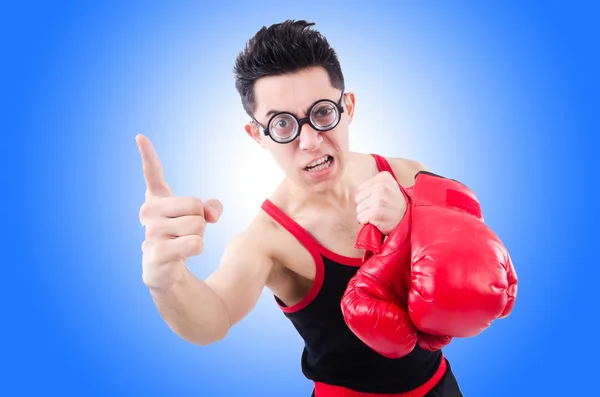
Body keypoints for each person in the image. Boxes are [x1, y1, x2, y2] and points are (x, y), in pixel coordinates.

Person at [136, 20, 516, 397]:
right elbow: (212, 319)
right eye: (282, 124)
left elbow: (479, 267)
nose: (310, 141)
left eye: (321, 113)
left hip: (441, 388)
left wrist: (411, 221)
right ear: (258, 135)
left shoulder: (408, 175)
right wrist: (166, 279)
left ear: (347, 107)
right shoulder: (268, 239)